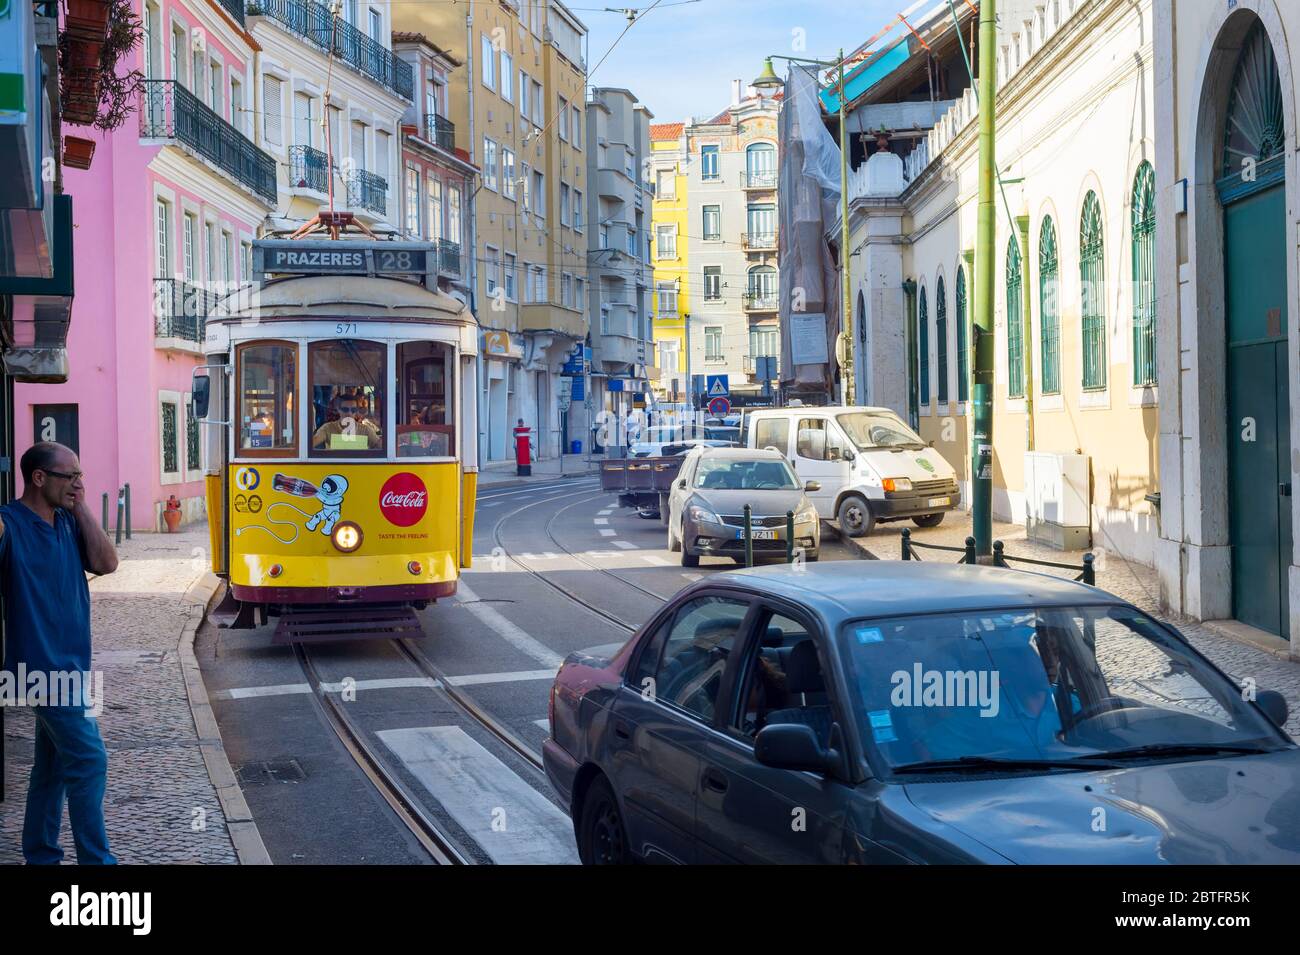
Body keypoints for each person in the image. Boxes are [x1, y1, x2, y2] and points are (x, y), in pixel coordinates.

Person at [0, 442, 119, 864]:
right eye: (70, 477)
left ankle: (40, 855)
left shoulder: (69, 523)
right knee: (89, 762)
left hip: (71, 668)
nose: (79, 484)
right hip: (38, 670)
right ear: (38, 478)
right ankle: (97, 863)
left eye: (81, 476)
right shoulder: (8, 524)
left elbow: (107, 564)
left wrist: (80, 507)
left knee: (50, 772)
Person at [312, 392, 382, 449]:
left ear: (356, 411)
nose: (349, 413)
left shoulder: (365, 430)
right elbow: (312, 443)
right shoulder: (328, 428)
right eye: (345, 409)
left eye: (353, 410)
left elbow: (382, 447)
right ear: (338, 410)